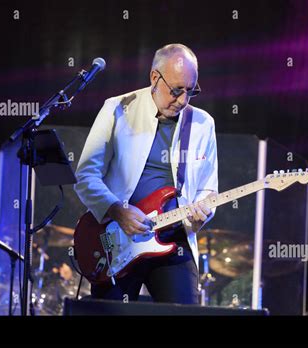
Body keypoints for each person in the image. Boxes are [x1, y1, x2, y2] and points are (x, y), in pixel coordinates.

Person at [74, 43, 218, 304]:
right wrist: (117, 210)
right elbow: (85, 176)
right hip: (117, 239)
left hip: (173, 237)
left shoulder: (202, 124)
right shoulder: (117, 108)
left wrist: (203, 214)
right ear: (155, 77)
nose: (183, 101)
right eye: (176, 91)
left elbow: (208, 190)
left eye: (190, 91)